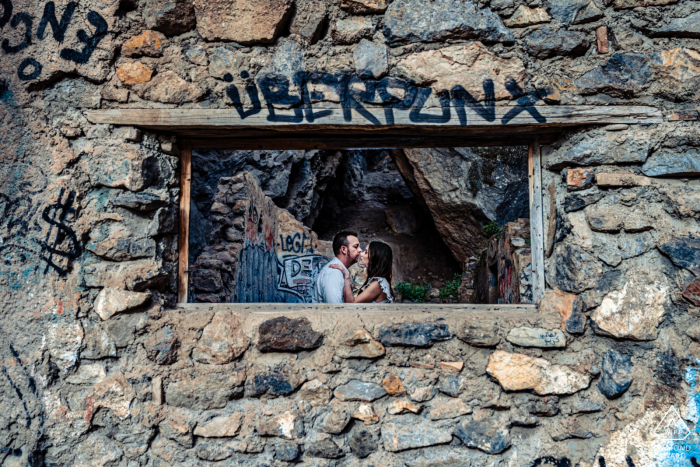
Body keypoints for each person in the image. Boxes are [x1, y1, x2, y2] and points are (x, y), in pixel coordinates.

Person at [329, 240, 394, 303]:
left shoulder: (378, 284)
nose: (361, 253)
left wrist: (346, 276)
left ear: (374, 258)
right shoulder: (377, 281)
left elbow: (351, 304)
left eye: (366, 252)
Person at [312, 231, 363, 303]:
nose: (360, 250)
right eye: (355, 247)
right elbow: (334, 310)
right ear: (344, 249)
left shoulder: (340, 271)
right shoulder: (334, 273)